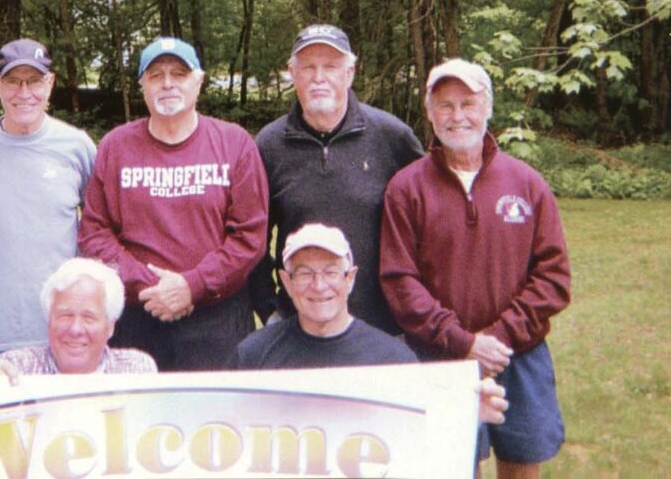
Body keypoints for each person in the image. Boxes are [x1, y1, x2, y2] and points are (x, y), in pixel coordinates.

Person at [380, 58, 571, 477]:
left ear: (488, 108)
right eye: (445, 106)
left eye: (468, 103)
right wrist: (461, 340)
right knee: (453, 464)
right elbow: (399, 280)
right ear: (430, 114)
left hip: (518, 355)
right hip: (441, 358)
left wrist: (497, 338)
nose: (457, 116)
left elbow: (553, 278)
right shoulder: (406, 188)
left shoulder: (526, 184)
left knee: (522, 461)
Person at [78, 37, 268, 371]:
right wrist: (152, 287)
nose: (167, 83)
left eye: (179, 73)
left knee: (218, 420)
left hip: (217, 319)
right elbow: (95, 234)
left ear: (199, 82)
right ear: (142, 86)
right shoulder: (115, 146)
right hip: (138, 316)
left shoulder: (235, 143)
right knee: (137, 420)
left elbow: (249, 237)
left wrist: (192, 286)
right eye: (156, 75)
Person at [230, 223, 508, 426]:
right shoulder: (254, 355)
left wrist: (468, 414)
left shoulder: (392, 359)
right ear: (286, 282)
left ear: (350, 278)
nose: (319, 285)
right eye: (304, 273)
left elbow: (423, 430)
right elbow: (223, 428)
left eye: (331, 271)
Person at [251, 24, 423, 333]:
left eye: (330, 67)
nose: (319, 78)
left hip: (384, 328)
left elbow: (426, 227)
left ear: (350, 72)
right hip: (299, 325)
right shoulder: (269, 145)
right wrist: (270, 310)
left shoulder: (392, 137)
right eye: (308, 68)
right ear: (292, 73)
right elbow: (253, 240)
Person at [0, 39, 96, 375]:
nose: (24, 92)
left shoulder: (77, 148)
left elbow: (96, 232)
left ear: (51, 83)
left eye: (35, 81)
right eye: (13, 81)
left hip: (57, 337)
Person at [0, 258, 157, 381]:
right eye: (65, 316)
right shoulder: (18, 367)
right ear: (49, 320)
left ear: (110, 326)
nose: (75, 329)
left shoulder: (136, 370)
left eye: (89, 318)